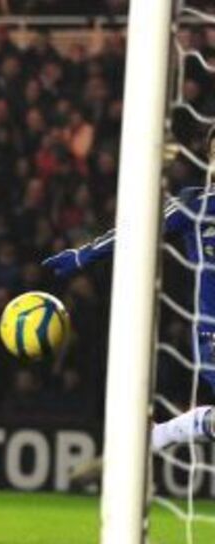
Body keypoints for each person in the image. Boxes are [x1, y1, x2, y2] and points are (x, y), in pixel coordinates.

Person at [43, 130, 215, 478]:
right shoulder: (196, 204)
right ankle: (157, 438)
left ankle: (156, 438)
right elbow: (139, 229)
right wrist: (83, 255)